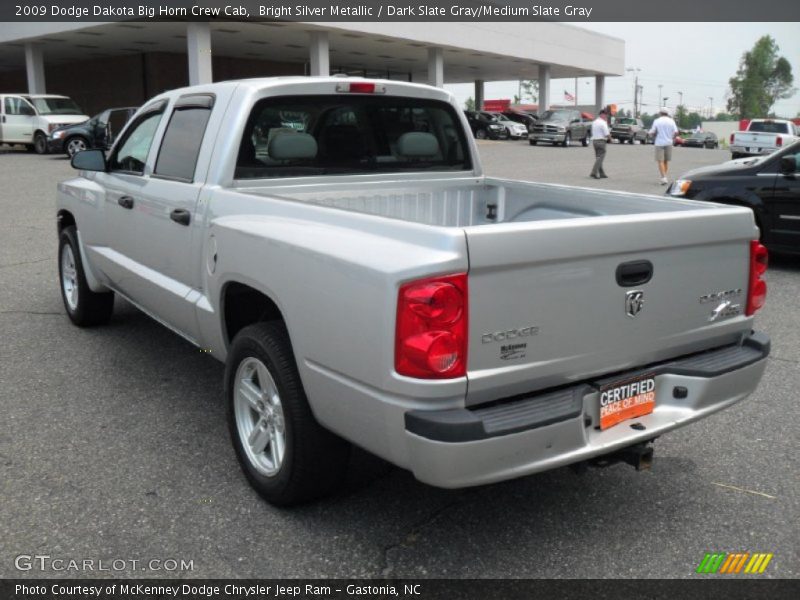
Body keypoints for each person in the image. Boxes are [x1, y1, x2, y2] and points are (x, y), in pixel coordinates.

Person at [649, 107, 678, 185]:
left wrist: (652, 135)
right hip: (669, 142)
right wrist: (673, 138)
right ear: (667, 113)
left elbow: (652, 132)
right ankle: (664, 176)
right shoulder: (671, 121)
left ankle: (664, 177)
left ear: (660, 113)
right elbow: (676, 132)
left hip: (659, 143)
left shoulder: (657, 121)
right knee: (666, 161)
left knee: (660, 161)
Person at [590, 109, 611, 179]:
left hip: (595, 141)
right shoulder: (603, 123)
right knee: (601, 157)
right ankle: (594, 172)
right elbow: (606, 133)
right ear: (602, 114)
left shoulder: (594, 122)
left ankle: (602, 173)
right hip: (601, 141)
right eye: (606, 115)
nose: (606, 116)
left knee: (598, 158)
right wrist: (611, 139)